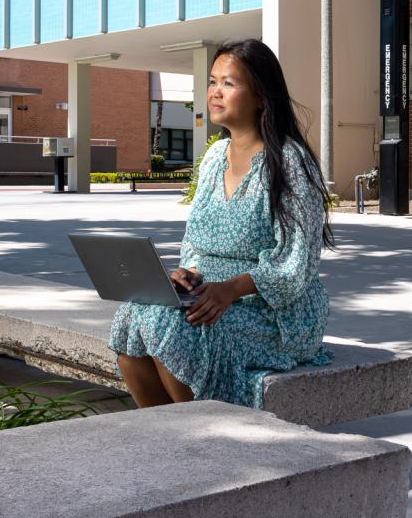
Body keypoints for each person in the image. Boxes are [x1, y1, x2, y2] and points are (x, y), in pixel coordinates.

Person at [110, 38, 335, 408]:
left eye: (229, 84)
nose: (215, 93)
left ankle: (204, 440)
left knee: (170, 328)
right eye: (213, 82)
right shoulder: (215, 156)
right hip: (209, 296)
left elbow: (297, 263)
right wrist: (189, 273)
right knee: (133, 315)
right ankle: (168, 436)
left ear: (262, 95)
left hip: (275, 312)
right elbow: (196, 239)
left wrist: (230, 289)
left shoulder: (290, 161)